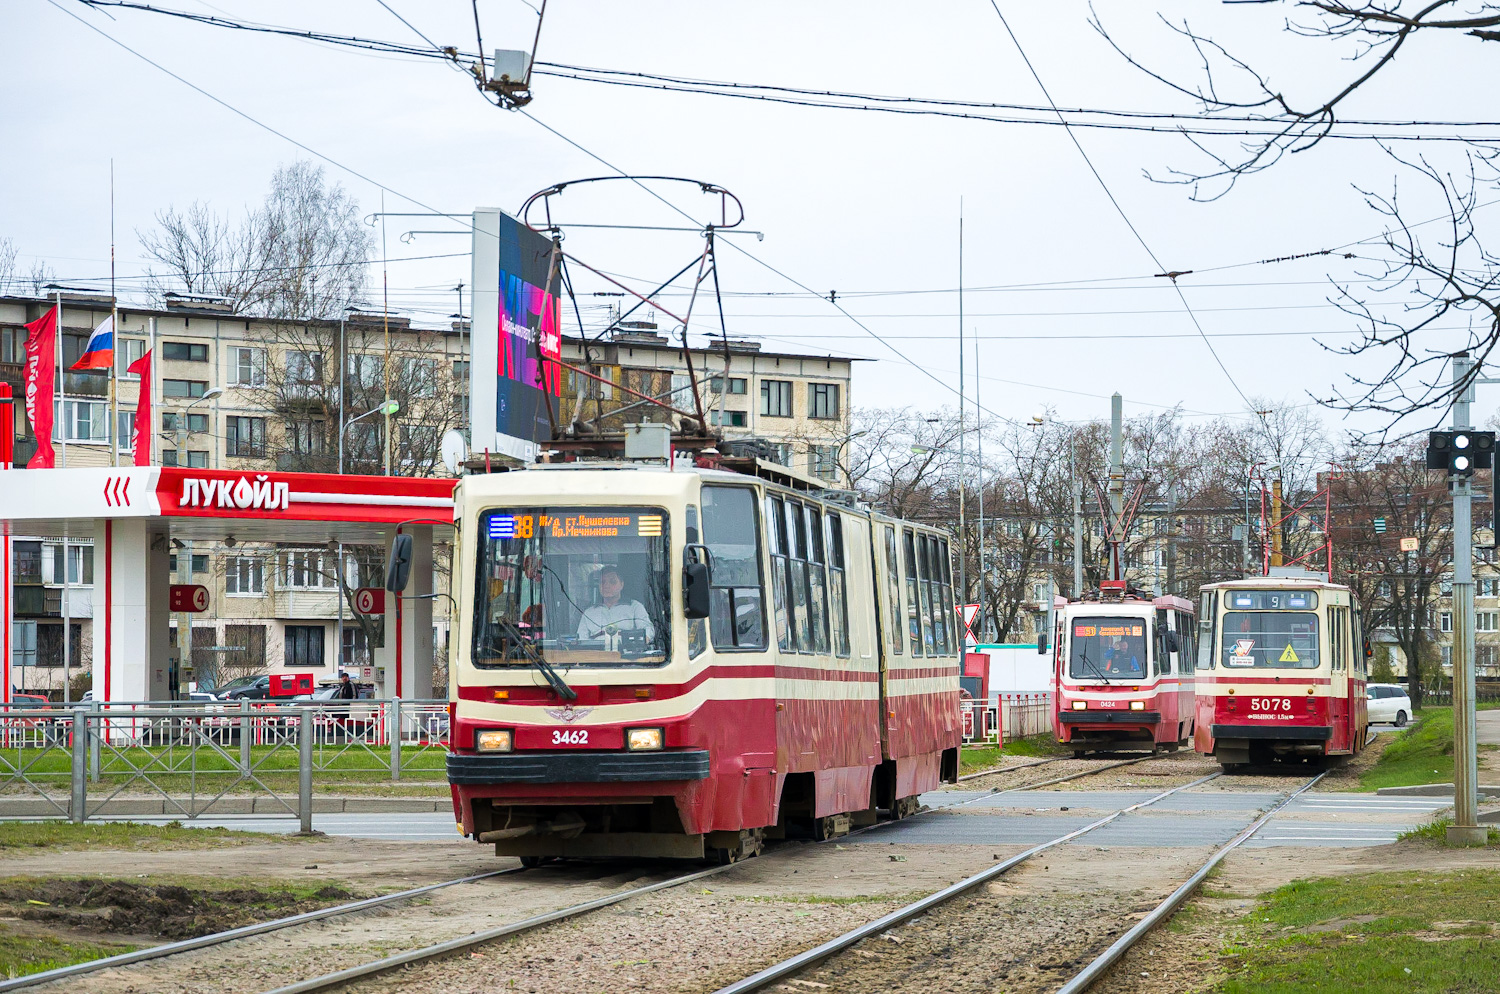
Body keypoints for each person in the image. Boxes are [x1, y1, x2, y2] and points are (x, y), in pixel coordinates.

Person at [576, 565, 654, 642]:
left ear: (621, 584)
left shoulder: (635, 607)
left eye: (612, 582)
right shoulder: (589, 612)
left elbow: (647, 630)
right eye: (602, 582)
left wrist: (641, 642)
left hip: (626, 649)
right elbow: (581, 640)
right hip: (597, 650)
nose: (606, 586)